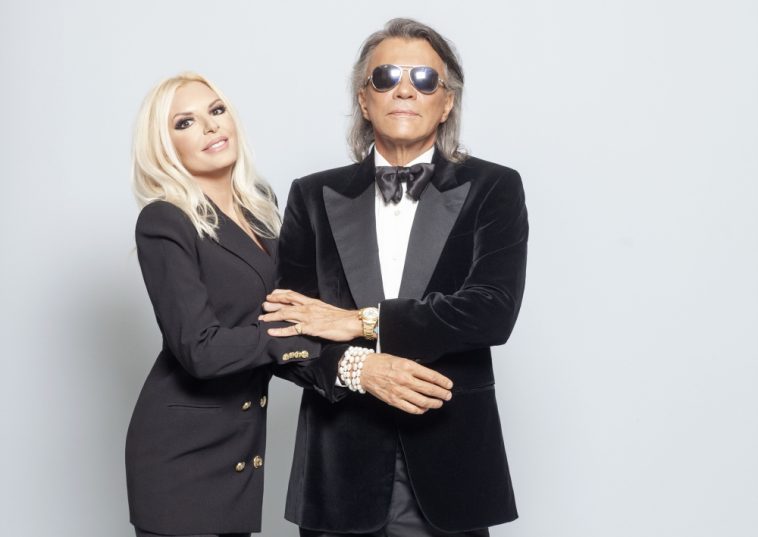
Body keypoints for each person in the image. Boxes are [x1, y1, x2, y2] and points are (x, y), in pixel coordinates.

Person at [260, 18, 529, 537]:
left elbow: (492, 310)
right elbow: (285, 329)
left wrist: (363, 322)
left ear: (446, 102)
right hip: (338, 473)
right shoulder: (311, 196)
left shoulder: (494, 187)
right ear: (364, 100)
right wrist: (359, 369)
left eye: (424, 79)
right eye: (385, 77)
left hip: (450, 469)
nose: (404, 89)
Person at [125, 72, 331, 537]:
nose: (211, 126)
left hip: (238, 447)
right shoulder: (164, 220)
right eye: (185, 122)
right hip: (181, 456)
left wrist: (352, 358)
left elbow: (284, 310)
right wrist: (305, 339)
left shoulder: (262, 206)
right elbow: (200, 348)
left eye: (216, 111)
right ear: (164, 146)